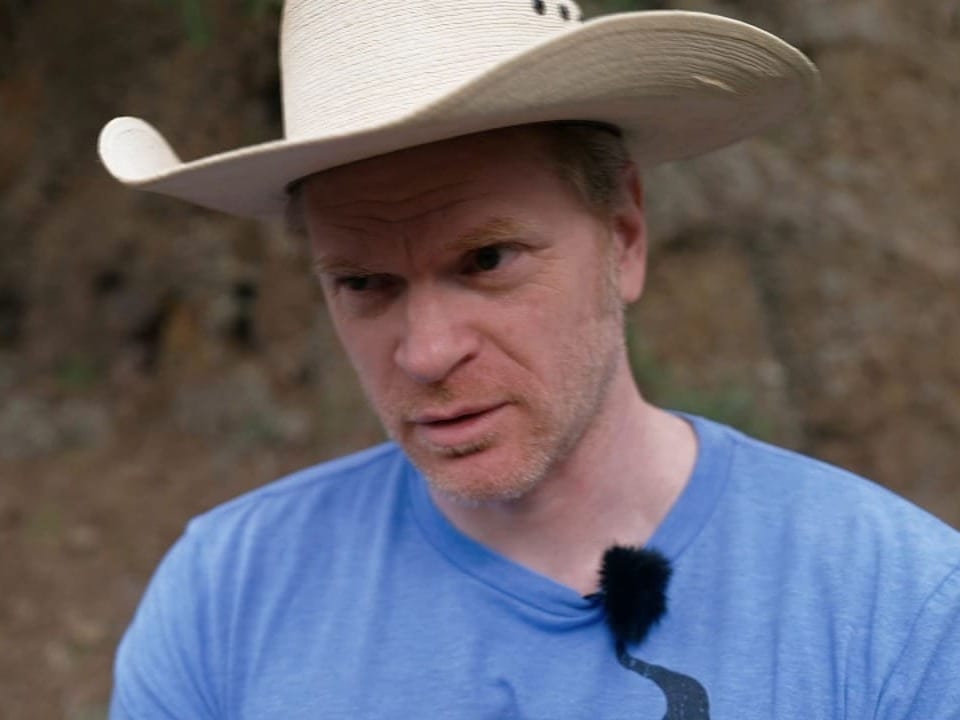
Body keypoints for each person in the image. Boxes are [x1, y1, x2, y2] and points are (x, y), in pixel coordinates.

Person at [99, 2, 960, 718]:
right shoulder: (227, 596)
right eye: (365, 282)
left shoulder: (896, 609)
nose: (428, 352)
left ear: (623, 235)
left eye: (487, 260)